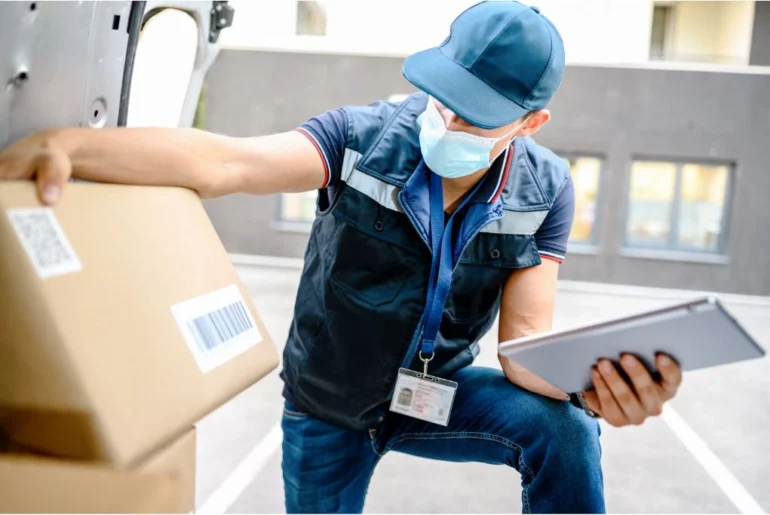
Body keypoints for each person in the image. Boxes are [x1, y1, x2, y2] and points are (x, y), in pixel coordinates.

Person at [0, 1, 684, 512]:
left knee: (566, 429)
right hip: (326, 402)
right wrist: (74, 146)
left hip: (433, 395)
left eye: (475, 114)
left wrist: (594, 386)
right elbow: (228, 162)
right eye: (445, 96)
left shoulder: (546, 189)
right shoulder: (362, 137)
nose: (446, 120)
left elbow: (524, 344)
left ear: (531, 123)